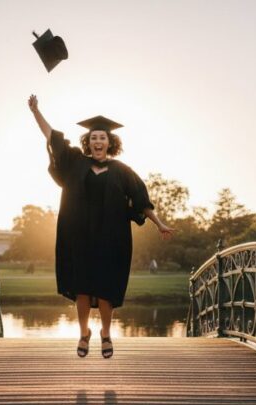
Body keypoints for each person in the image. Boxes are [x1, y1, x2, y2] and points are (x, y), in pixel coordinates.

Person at [28, 94, 174, 358]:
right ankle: (84, 333)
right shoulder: (75, 162)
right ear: (88, 141)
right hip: (79, 238)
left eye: (102, 138)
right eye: (94, 137)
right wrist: (36, 111)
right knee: (82, 290)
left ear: (110, 142)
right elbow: (52, 137)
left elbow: (142, 201)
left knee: (106, 292)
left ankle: (106, 334)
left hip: (111, 240)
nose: (97, 141)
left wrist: (160, 224)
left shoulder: (122, 170)